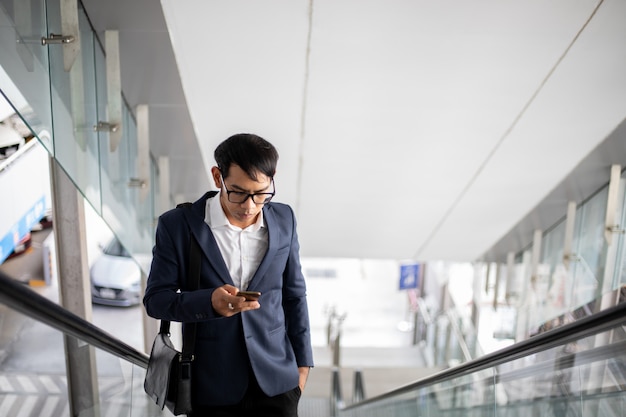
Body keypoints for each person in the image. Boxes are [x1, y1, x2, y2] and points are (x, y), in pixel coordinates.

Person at [144, 133, 314, 416]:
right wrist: (209, 303)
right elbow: (156, 300)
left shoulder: (285, 219)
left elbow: (294, 296)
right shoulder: (178, 226)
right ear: (216, 176)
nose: (250, 206)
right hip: (211, 386)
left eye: (261, 193)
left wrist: (303, 366)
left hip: (278, 382)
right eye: (238, 192)